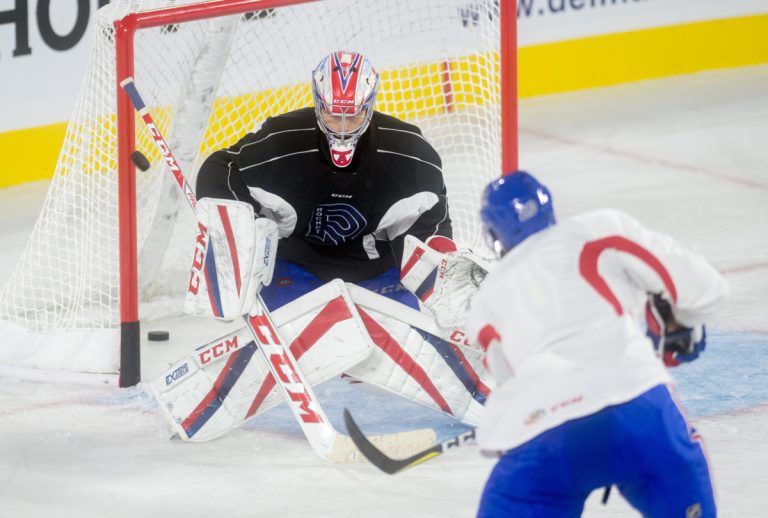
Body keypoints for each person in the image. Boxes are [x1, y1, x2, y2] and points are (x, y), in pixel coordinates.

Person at [467, 171, 729, 517]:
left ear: (492, 233)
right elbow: (706, 289)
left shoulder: (485, 298)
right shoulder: (596, 229)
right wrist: (679, 323)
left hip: (545, 436)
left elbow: (508, 383)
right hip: (638, 407)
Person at [194, 50, 452, 312]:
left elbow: (430, 220)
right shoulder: (282, 141)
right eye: (333, 115)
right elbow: (221, 168)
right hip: (295, 269)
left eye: (353, 116)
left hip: (378, 274)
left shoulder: (410, 153)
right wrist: (235, 236)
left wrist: (442, 269)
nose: (343, 128)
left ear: (369, 107)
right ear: (318, 105)